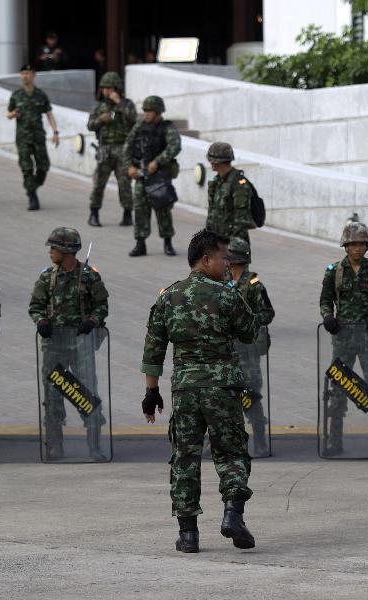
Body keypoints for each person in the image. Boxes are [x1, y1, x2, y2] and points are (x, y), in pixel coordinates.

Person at [141, 229, 260, 554]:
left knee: (185, 459)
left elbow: (153, 350)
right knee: (232, 453)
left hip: (186, 390)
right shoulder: (226, 294)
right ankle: (233, 514)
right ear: (205, 259)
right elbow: (250, 333)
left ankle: (188, 534)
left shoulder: (168, 296)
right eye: (223, 257)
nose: (227, 263)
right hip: (222, 387)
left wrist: (152, 393)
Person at [28, 227, 109, 461]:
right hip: (54, 344)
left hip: (81, 343)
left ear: (66, 251)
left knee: (86, 394)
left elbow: (102, 306)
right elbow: (35, 306)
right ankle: (55, 446)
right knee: (53, 397)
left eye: (53, 248)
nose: (50, 253)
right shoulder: (47, 277)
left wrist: (92, 322)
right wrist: (41, 321)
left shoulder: (89, 277)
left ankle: (94, 447)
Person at [319, 221, 368, 457]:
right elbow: (325, 300)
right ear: (346, 246)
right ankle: (334, 441)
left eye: (361, 244)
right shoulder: (334, 271)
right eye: (353, 244)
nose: (358, 248)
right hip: (343, 337)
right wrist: (328, 316)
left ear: (367, 246)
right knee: (337, 389)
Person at [228, 237, 274, 456]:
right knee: (225, 395)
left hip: (248, 350)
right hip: (226, 351)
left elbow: (268, 313)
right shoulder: (222, 282)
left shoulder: (254, 284)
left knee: (252, 393)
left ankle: (261, 440)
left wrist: (248, 321)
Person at [123, 95, 181, 257]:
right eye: (145, 111)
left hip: (159, 176)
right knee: (140, 209)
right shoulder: (139, 127)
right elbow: (127, 146)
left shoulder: (167, 128)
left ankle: (168, 243)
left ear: (158, 112)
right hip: (141, 174)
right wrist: (130, 167)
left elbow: (174, 147)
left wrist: (157, 162)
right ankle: (140, 244)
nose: (146, 114)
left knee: (163, 209)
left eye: (150, 111)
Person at [87, 71, 136, 227]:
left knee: (124, 183)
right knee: (99, 183)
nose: (106, 91)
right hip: (105, 148)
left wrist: (119, 103)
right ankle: (94, 213)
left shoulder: (127, 104)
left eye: (109, 88)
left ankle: (127, 213)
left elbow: (133, 119)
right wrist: (101, 119)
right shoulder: (100, 106)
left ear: (117, 88)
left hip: (123, 148)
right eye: (104, 88)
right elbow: (90, 125)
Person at [7, 64, 59, 211]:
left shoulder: (41, 95)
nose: (25, 76)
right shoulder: (16, 95)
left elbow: (49, 114)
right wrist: (13, 114)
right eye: (23, 73)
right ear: (20, 75)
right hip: (23, 137)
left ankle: (33, 185)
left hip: (38, 136)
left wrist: (55, 132)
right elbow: (8, 114)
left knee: (43, 166)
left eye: (28, 73)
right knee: (27, 167)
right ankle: (32, 196)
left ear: (33, 75)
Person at [205, 142, 255, 243]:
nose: (210, 163)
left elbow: (241, 220)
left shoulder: (239, 184)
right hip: (216, 240)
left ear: (220, 161)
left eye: (212, 160)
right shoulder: (216, 181)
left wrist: (234, 246)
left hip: (233, 242)